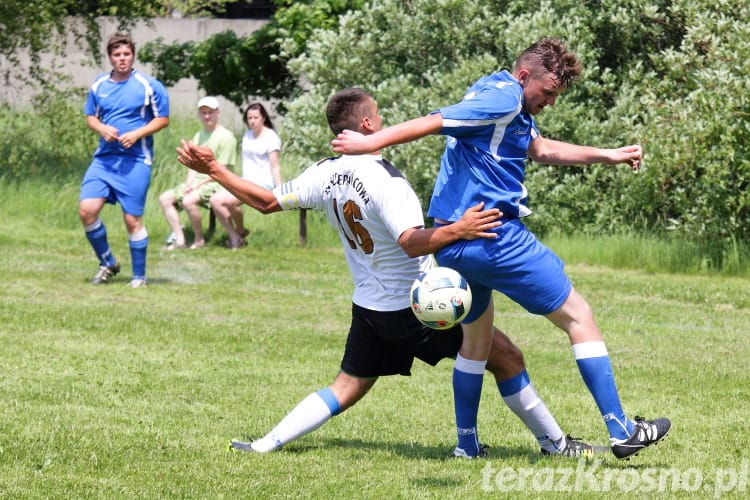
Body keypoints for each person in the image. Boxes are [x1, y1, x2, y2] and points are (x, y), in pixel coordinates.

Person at [177, 87, 596, 458]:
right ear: (366, 123)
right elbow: (411, 241)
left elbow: (267, 202)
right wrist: (458, 230)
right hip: (413, 307)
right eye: (378, 115)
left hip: (369, 307)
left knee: (348, 385)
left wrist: (215, 171)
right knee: (506, 357)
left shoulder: (325, 172)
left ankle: (264, 444)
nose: (382, 121)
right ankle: (555, 444)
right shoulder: (386, 181)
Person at [331, 39, 671, 460]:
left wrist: (607, 155)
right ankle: (621, 429)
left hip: (455, 239)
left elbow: (540, 148)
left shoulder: (496, 94)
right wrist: (370, 142)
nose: (548, 102)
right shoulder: (504, 96)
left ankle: (466, 444)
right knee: (579, 316)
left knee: (476, 340)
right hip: (494, 234)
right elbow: (436, 121)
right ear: (525, 76)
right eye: (546, 93)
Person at [79, 32, 170, 288]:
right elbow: (90, 116)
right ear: (110, 57)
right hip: (104, 160)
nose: (122, 59)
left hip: (136, 160)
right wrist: (102, 129)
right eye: (117, 55)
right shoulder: (99, 85)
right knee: (87, 211)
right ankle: (107, 261)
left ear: (133, 55)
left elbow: (163, 118)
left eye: (127, 54)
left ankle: (139, 278)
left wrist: (138, 133)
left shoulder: (148, 85)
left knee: (132, 220)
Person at [158, 96, 238, 250]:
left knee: (188, 201)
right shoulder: (198, 136)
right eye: (203, 113)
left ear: (217, 113)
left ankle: (199, 240)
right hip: (197, 183)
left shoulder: (227, 137)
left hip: (218, 182)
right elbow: (192, 165)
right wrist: (189, 184)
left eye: (210, 112)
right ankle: (180, 239)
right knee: (165, 198)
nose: (207, 116)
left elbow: (223, 170)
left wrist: (197, 185)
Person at [209, 102, 281, 249]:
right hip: (245, 180)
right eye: (249, 118)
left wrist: (280, 189)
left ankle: (236, 238)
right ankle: (238, 233)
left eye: (256, 117)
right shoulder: (247, 135)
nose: (252, 121)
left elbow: (275, 166)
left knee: (227, 202)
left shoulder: (271, 138)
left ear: (264, 118)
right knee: (215, 200)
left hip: (263, 183)